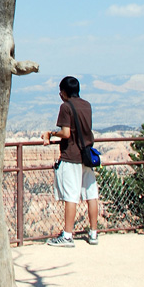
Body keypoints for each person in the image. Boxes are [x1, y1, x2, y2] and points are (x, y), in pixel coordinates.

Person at [42, 76, 100, 247]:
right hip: (87, 156)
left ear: (63, 92)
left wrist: (51, 134)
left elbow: (66, 133)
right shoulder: (87, 105)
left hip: (71, 156)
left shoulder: (65, 107)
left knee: (71, 196)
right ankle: (94, 233)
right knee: (91, 195)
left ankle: (67, 236)